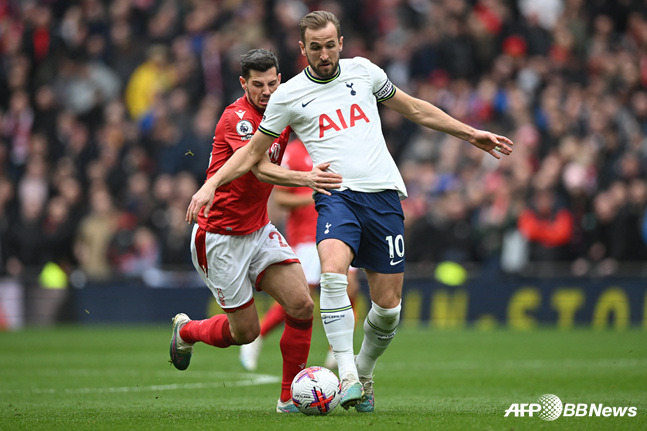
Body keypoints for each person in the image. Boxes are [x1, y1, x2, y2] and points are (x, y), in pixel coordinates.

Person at [185, 11, 514, 413]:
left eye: (329, 45)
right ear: (302, 50)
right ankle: (346, 378)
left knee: (388, 310)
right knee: (332, 275)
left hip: (383, 196)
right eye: (315, 47)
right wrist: (211, 184)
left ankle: (363, 371)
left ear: (341, 43)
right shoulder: (288, 97)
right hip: (335, 196)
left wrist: (470, 132)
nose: (324, 54)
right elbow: (253, 156)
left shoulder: (365, 72)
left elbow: (413, 108)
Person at [169, 49, 342, 414]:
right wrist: (306, 177)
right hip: (220, 236)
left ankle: (288, 401)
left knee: (301, 305)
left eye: (273, 83)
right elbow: (259, 168)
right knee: (244, 333)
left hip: (259, 229)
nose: (267, 91)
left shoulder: (283, 106)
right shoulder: (238, 118)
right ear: (243, 83)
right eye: (258, 85)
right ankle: (186, 332)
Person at [239, 138, 360, 372]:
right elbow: (281, 198)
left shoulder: (335, 146)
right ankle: (258, 336)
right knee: (300, 298)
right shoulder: (293, 153)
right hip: (306, 235)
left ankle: (338, 349)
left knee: (350, 288)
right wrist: (315, 194)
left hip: (339, 228)